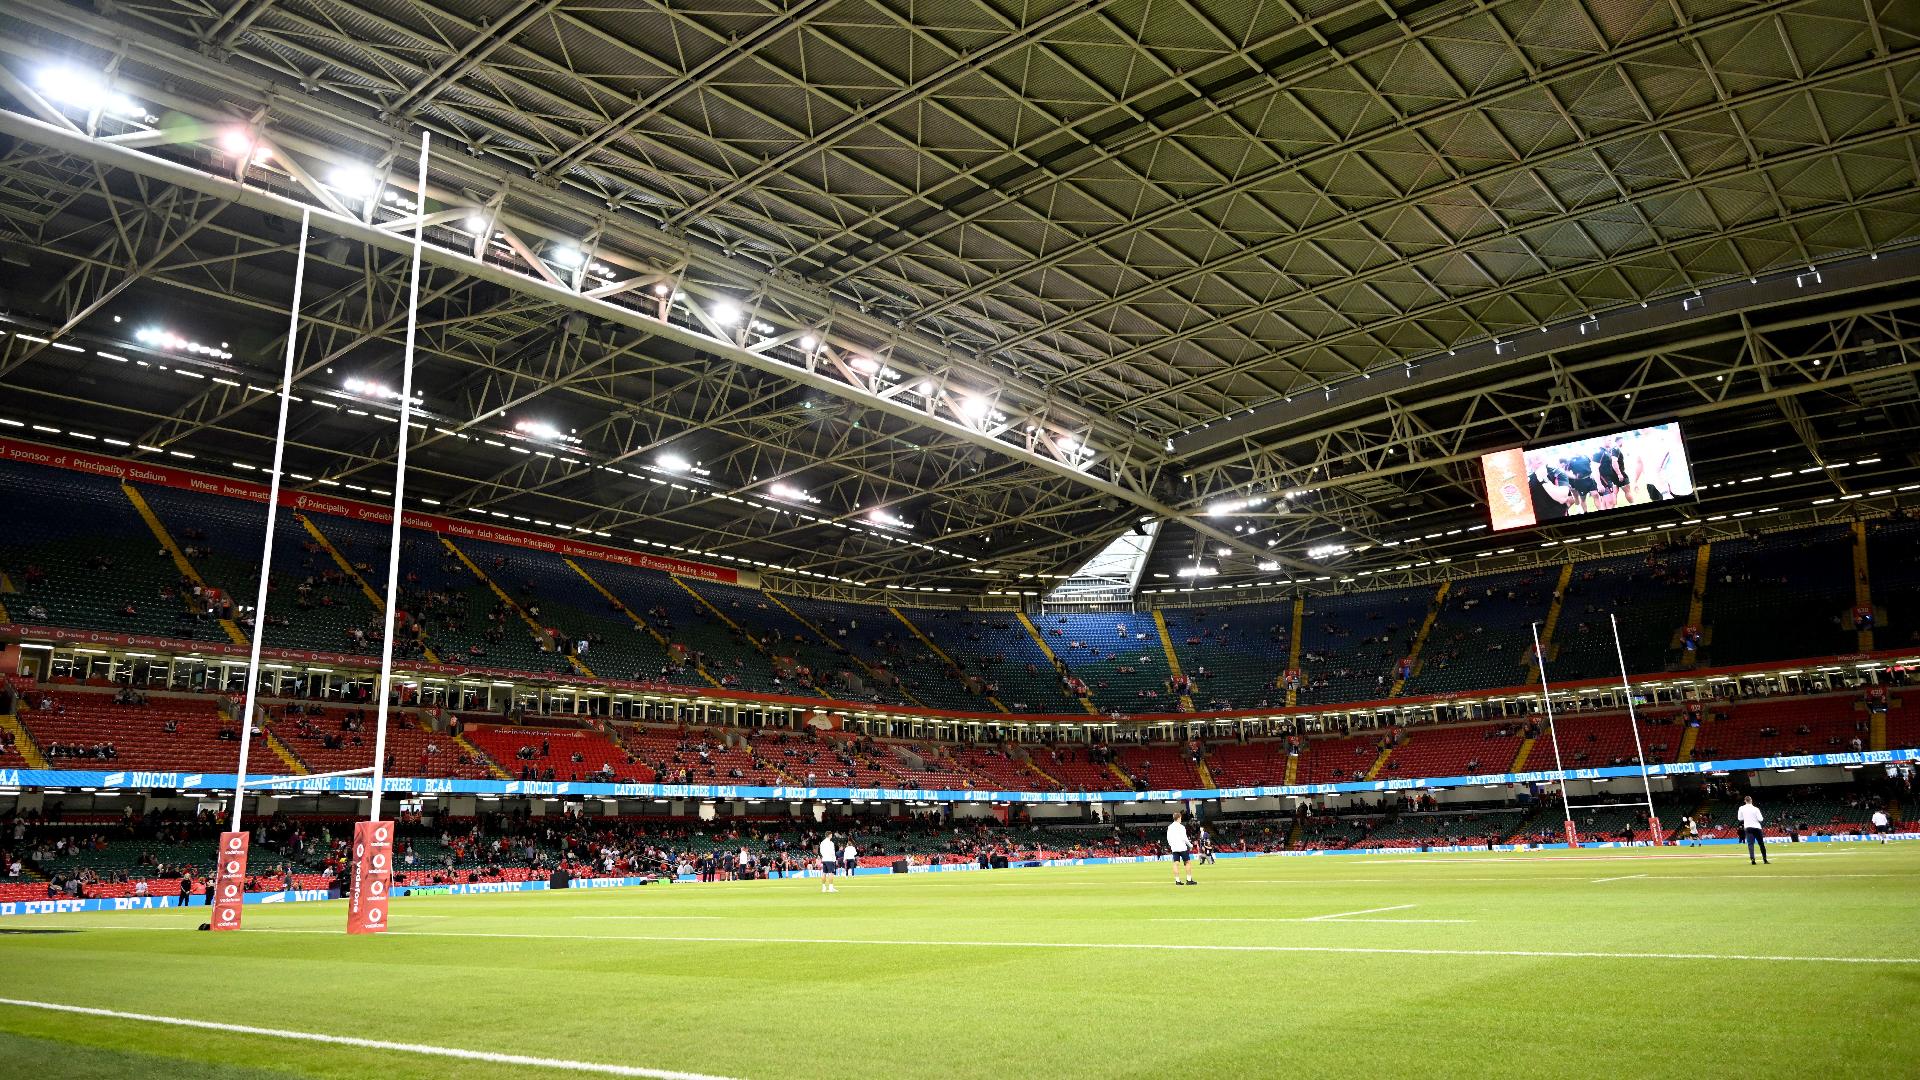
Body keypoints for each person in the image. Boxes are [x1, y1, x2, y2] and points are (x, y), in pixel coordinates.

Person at [1736, 796, 1769, 866]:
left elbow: (1740, 818)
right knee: (1761, 843)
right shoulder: (1756, 809)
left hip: (1748, 827)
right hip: (1757, 827)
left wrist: (1746, 818)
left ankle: (1753, 859)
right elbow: (1761, 819)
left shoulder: (1741, 808)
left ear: (1745, 801)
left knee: (1750, 844)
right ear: (1751, 800)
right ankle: (1765, 859)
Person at [1167, 811, 1195, 886]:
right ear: (1179, 818)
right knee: (1187, 862)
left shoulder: (1170, 827)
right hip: (1182, 847)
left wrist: (1171, 846)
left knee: (1175, 863)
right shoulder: (1181, 827)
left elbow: (1168, 838)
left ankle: (1177, 881)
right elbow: (1184, 838)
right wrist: (1190, 845)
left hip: (1174, 848)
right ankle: (1189, 880)